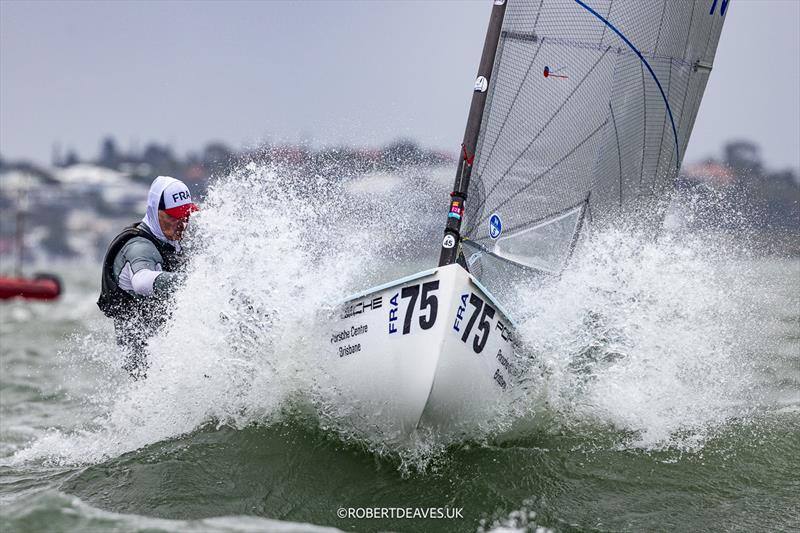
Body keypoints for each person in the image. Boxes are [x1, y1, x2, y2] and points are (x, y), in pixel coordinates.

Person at [97, 176, 198, 379]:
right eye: (174, 216)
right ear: (155, 211)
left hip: (172, 351)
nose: (183, 222)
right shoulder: (138, 247)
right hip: (146, 365)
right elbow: (142, 280)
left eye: (186, 215)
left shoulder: (173, 240)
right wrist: (199, 284)